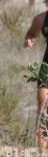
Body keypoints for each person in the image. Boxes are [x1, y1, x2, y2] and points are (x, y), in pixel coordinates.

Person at [23, 9, 48, 149]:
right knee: (43, 104)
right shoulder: (42, 18)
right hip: (47, 66)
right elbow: (32, 33)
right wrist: (29, 39)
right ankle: (42, 154)